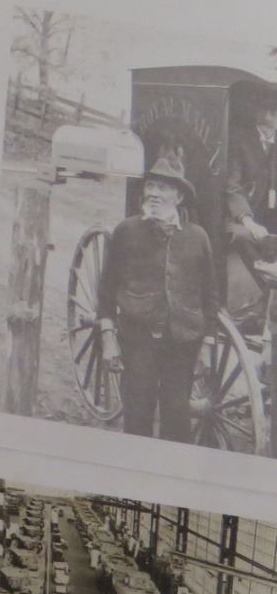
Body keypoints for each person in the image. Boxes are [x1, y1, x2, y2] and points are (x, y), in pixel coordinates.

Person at [98, 155, 218, 441]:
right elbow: (106, 290)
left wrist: (207, 344)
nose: (153, 193)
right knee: (138, 415)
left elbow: (210, 296)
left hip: (182, 343)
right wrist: (108, 338)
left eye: (163, 188)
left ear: (179, 197)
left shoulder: (197, 237)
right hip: (138, 340)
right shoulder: (126, 231)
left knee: (176, 418)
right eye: (150, 186)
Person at [222, 90, 277, 328]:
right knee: (247, 236)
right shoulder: (240, 141)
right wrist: (247, 220)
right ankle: (267, 285)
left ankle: (266, 307)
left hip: (267, 216)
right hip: (233, 216)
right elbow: (232, 185)